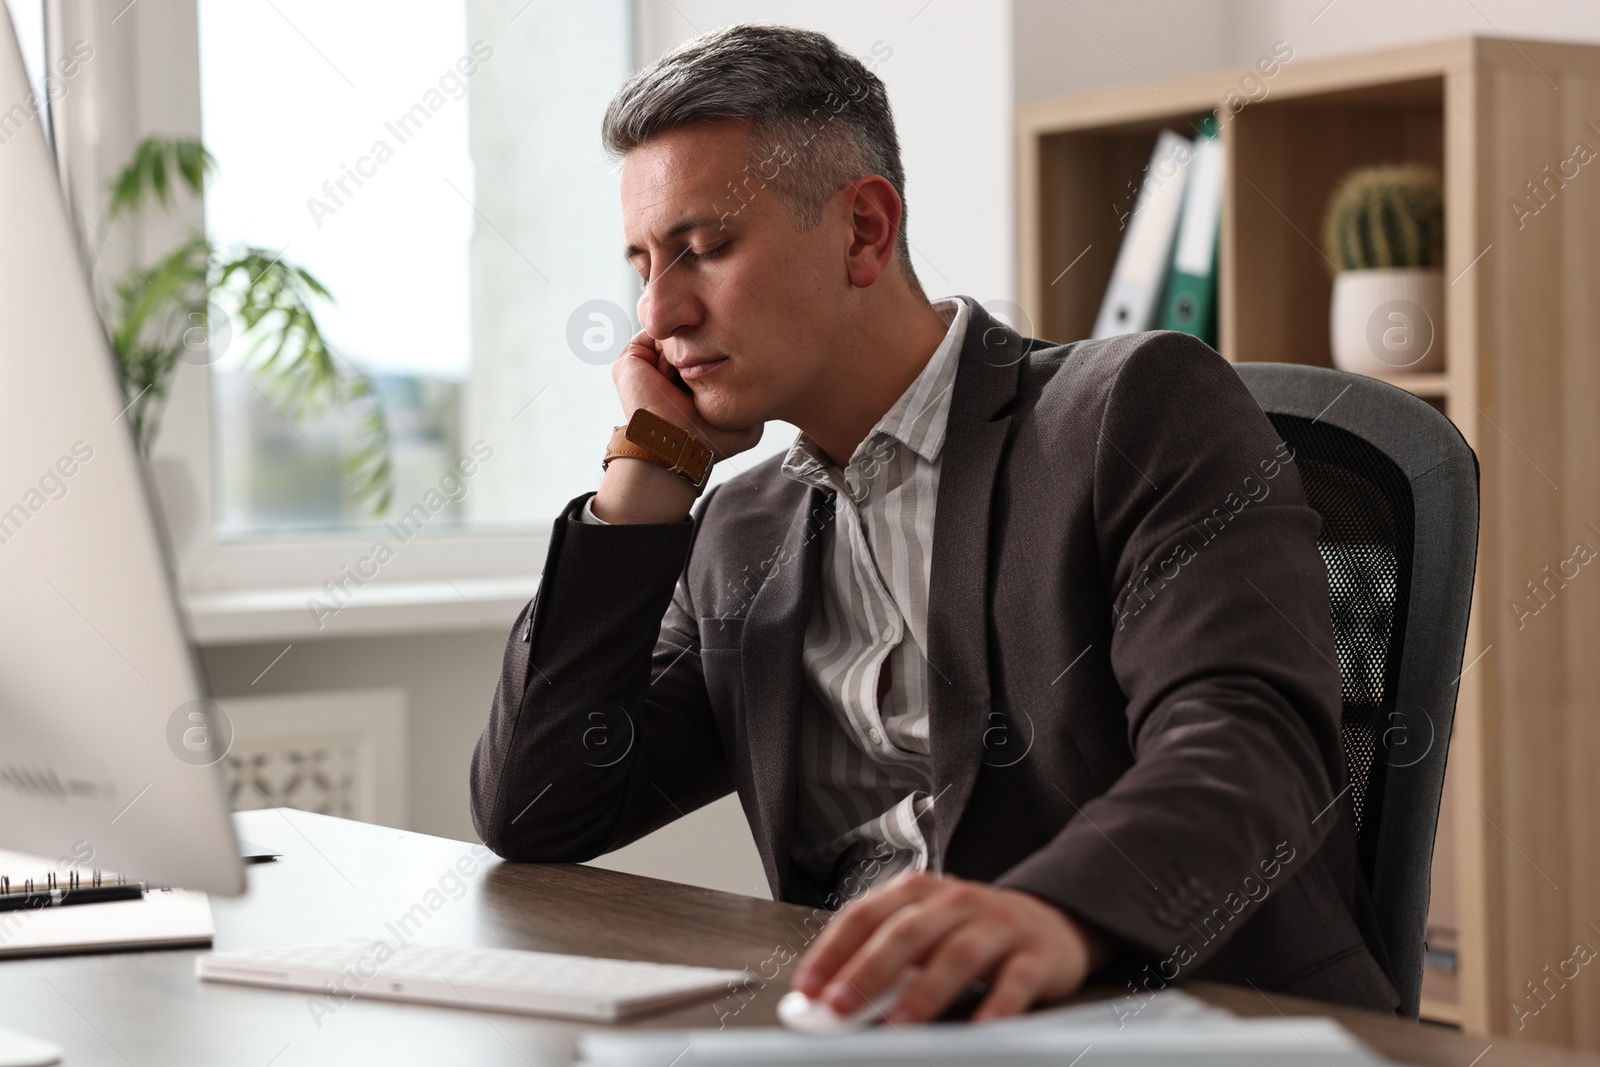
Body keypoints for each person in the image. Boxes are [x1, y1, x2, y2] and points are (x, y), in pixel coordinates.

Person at [470, 21, 1399, 1024]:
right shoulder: (743, 530)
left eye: (703, 249)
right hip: (876, 1026)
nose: (657, 314)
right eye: (642, 263)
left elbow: (1248, 737)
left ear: (865, 232)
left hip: (1175, 1012)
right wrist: (644, 482)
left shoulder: (1131, 407)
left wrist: (1051, 912)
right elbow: (540, 804)